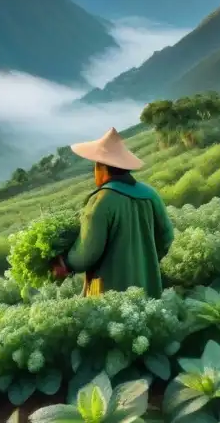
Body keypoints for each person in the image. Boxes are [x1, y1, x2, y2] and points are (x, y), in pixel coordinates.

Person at [51, 127, 174, 298]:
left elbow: (87, 253)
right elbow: (167, 238)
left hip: (105, 291)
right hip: (147, 286)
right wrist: (145, 261)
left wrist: (64, 263)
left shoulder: (101, 200)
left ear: (102, 168)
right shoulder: (150, 194)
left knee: (103, 320)